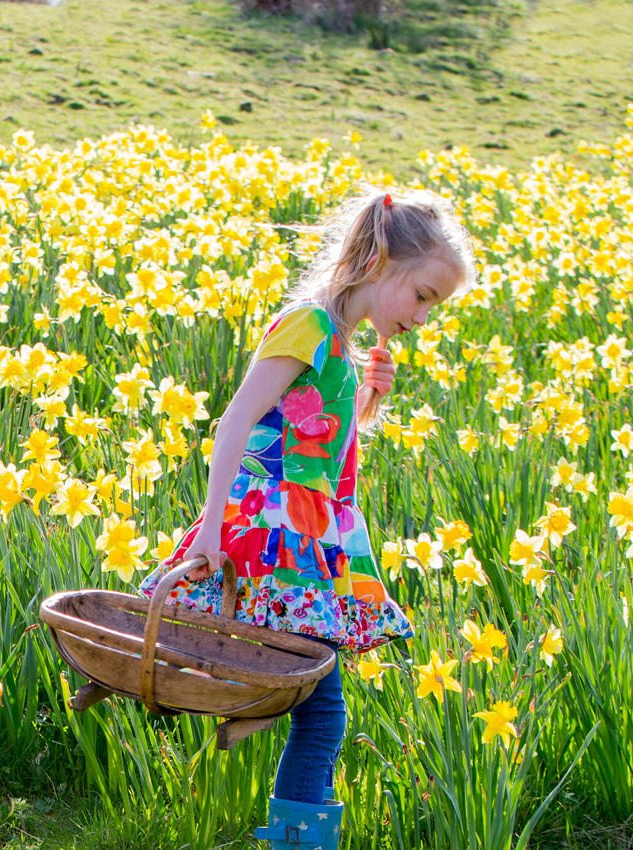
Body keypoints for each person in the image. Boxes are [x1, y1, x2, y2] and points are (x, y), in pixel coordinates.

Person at [143, 186, 474, 849]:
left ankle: (264, 751)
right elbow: (235, 423)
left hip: (306, 543)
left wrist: (365, 404)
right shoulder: (308, 325)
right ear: (381, 260)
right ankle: (295, 832)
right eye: (424, 296)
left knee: (313, 703)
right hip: (271, 543)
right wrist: (209, 529)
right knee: (322, 712)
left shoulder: (340, 347)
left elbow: (312, 447)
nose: (426, 315)